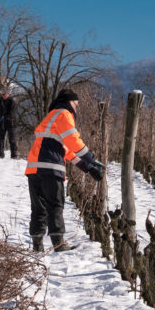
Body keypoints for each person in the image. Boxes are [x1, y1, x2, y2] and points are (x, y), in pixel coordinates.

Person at [25, 88, 104, 252]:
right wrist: (91, 158)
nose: (76, 108)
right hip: (50, 166)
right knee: (55, 204)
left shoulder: (51, 117)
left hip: (33, 168)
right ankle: (59, 244)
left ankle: (37, 244)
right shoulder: (64, 114)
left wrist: (87, 167)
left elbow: (65, 149)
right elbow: (72, 140)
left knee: (38, 207)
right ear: (70, 102)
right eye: (76, 104)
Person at [0, 88, 18, 159]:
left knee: (12, 139)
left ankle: (14, 155)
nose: (2, 95)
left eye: (4, 94)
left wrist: (4, 117)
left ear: (8, 94)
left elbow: (12, 113)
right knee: (0, 138)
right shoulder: (1, 101)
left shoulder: (12, 102)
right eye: (2, 94)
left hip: (11, 123)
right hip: (2, 123)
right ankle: (0, 155)